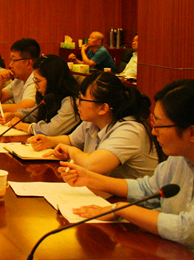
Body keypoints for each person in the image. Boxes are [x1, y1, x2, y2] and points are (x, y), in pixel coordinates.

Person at [62, 79, 194, 260]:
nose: (153, 132)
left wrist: (122, 209)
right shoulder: (182, 157)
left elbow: (191, 229)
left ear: (192, 132)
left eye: (159, 125)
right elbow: (148, 189)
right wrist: (91, 179)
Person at [29, 71, 159, 179]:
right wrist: (48, 141)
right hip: (103, 193)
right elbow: (71, 140)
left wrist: (71, 151)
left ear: (103, 108)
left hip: (131, 200)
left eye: (82, 99)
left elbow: (93, 165)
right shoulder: (93, 121)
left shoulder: (130, 130)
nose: (78, 102)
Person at [0, 55, 80, 136]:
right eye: (35, 81)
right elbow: (35, 113)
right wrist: (14, 115)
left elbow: (52, 130)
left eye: (38, 81)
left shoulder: (72, 102)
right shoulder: (50, 96)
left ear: (52, 80)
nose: (36, 86)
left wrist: (23, 126)